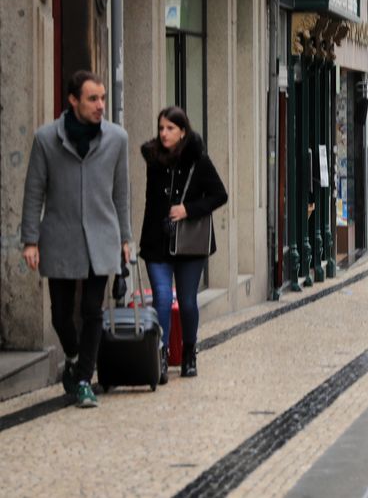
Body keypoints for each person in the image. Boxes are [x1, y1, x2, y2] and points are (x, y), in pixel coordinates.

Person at [20, 70, 131, 408]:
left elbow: (121, 193)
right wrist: (30, 240)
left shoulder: (117, 139)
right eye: (93, 99)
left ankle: (84, 378)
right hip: (60, 235)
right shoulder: (45, 139)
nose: (101, 106)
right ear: (73, 100)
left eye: (103, 99)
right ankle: (72, 356)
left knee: (92, 309)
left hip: (102, 234)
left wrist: (126, 238)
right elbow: (34, 191)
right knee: (61, 315)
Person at [139, 106, 227, 381]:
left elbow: (219, 195)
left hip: (190, 244)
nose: (164, 134)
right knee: (162, 299)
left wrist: (187, 209)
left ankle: (189, 351)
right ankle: (160, 355)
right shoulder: (154, 159)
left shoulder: (198, 160)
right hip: (158, 242)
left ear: (183, 131)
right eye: (161, 128)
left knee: (188, 302)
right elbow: (151, 203)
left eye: (170, 129)